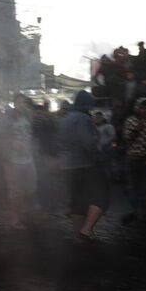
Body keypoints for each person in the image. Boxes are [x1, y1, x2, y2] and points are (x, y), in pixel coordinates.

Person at [57, 90, 110, 241]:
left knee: (77, 200)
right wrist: (99, 158)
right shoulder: (84, 119)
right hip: (85, 165)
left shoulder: (65, 119)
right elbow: (88, 143)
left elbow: (58, 142)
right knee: (101, 197)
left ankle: (78, 234)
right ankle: (86, 231)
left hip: (67, 166)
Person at [3, 96, 37, 229]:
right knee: (16, 190)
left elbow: (32, 135)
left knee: (31, 187)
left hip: (28, 158)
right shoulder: (8, 118)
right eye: (19, 102)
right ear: (14, 104)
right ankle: (15, 218)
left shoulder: (28, 116)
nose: (22, 105)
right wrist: (12, 142)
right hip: (14, 160)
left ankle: (23, 212)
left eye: (23, 102)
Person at [123, 98, 146, 224]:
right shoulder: (130, 121)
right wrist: (137, 129)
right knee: (132, 187)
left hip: (145, 160)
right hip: (131, 159)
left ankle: (144, 212)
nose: (145, 111)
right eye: (142, 108)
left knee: (145, 187)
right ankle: (134, 210)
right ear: (137, 108)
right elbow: (126, 138)